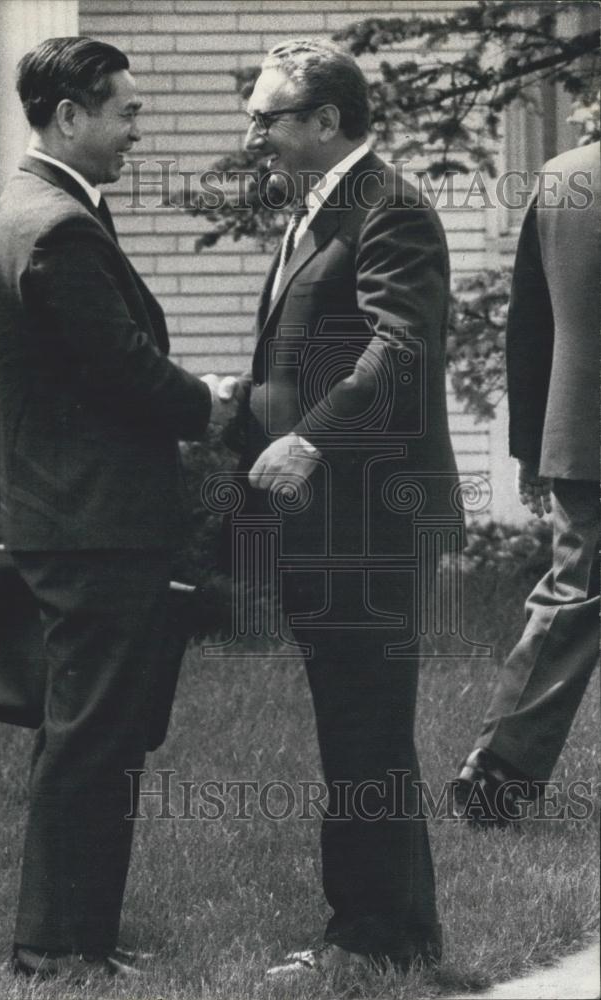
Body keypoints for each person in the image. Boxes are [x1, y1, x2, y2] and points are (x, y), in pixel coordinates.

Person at [0, 36, 234, 980]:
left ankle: (72, 937)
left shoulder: (40, 208)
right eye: (126, 111)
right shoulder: (58, 227)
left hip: (75, 517)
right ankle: (55, 947)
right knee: (94, 741)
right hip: (96, 525)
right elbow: (120, 370)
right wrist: (206, 404)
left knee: (89, 734)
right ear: (70, 116)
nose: (139, 128)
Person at [230, 38, 459, 979]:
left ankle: (375, 941)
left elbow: (396, 351)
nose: (253, 134)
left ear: (326, 121)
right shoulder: (315, 209)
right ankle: (383, 933)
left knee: (365, 727)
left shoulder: (390, 210)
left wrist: (310, 437)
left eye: (267, 118)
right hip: (327, 518)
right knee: (355, 726)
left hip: (369, 514)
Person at [454, 142, 600, 826]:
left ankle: (496, 768)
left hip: (582, 433)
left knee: (573, 598)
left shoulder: (563, 176)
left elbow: (529, 325)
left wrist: (531, 448)